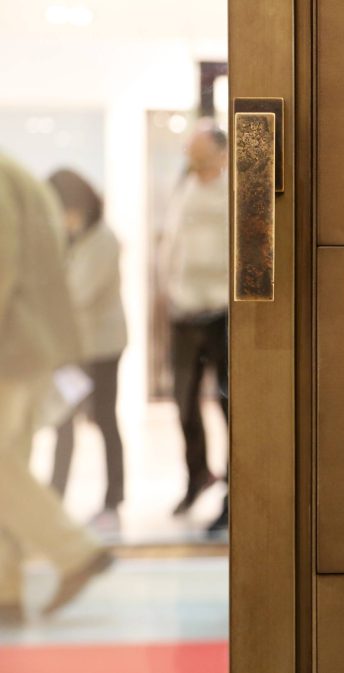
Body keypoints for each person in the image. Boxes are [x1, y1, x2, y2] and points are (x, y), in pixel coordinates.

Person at [0, 153, 113, 625]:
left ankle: (76, 552)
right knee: (9, 468)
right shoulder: (16, 174)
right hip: (28, 346)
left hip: (12, 347)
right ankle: (6, 593)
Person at [47, 169, 128, 532]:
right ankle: (54, 499)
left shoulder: (103, 240)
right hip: (74, 350)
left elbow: (76, 294)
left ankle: (113, 500)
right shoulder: (72, 237)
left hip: (101, 349)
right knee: (62, 422)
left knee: (104, 420)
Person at [161, 119, 229, 530]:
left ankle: (232, 492)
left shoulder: (233, 191)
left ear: (219, 153)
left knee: (228, 404)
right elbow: (173, 243)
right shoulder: (182, 188)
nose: (192, 157)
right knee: (184, 404)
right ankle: (197, 476)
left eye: (199, 151)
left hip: (222, 312)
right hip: (184, 311)